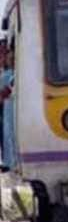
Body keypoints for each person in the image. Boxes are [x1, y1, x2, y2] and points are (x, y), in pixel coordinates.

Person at [0, 42, 15, 172]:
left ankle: (11, 163)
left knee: (10, 134)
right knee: (8, 134)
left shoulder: (9, 75)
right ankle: (9, 162)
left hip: (11, 108)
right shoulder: (6, 75)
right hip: (7, 108)